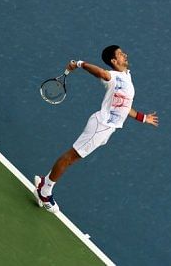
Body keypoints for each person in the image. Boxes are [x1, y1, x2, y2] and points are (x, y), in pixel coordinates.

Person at [34, 45, 159, 213]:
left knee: (74, 157)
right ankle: (45, 192)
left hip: (106, 129)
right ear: (114, 61)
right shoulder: (113, 76)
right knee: (70, 157)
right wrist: (79, 63)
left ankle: (45, 182)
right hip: (100, 127)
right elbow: (100, 72)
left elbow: (124, 105)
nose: (125, 55)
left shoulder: (126, 77)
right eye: (121, 54)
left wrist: (143, 118)